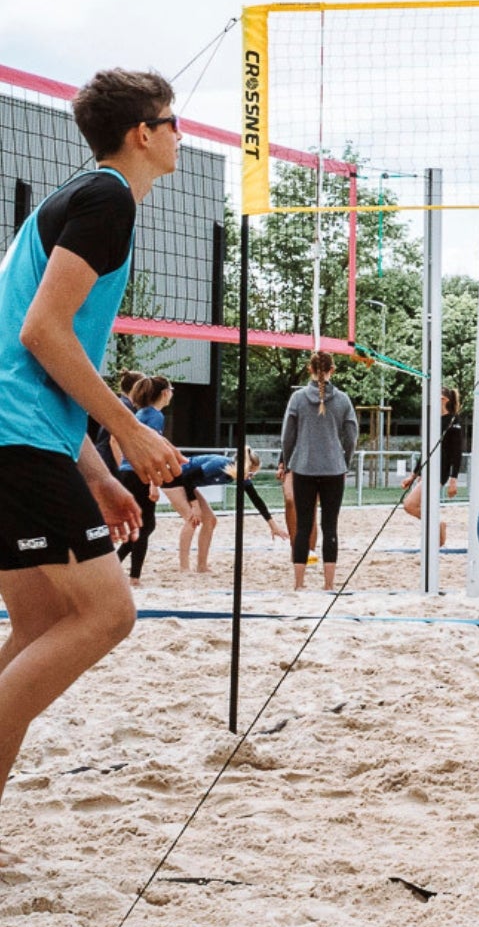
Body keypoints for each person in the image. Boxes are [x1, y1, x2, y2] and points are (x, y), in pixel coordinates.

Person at [0, 69, 186, 865]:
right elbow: (44, 333)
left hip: (25, 436)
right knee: (108, 615)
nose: (182, 133)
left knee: (41, 625)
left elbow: (29, 357)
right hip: (16, 442)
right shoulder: (107, 199)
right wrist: (131, 435)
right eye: (174, 121)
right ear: (143, 132)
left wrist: (99, 474)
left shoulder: (83, 201)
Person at [279, 351, 358, 592]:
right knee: (330, 526)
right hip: (334, 468)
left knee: (303, 526)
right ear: (332, 370)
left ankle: (299, 583)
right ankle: (329, 583)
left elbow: (287, 436)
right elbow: (352, 437)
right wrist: (344, 461)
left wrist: (286, 461)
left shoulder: (298, 399)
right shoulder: (343, 400)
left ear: (309, 369)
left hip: (303, 467)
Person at [168, 448, 290, 575]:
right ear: (245, 466)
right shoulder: (220, 464)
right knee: (192, 519)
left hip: (186, 483)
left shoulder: (240, 473)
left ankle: (201, 566)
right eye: (251, 473)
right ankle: (184, 567)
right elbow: (188, 478)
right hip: (173, 478)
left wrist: (273, 526)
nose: (250, 477)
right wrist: (195, 505)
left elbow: (256, 499)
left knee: (210, 520)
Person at [113, 376, 174, 583]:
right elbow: (151, 453)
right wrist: (154, 485)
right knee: (145, 526)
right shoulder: (155, 416)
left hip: (128, 472)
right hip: (139, 474)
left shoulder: (141, 414)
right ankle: (133, 576)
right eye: (171, 390)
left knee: (142, 526)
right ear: (165, 393)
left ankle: (118, 566)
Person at [400, 388, 462, 546]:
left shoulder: (453, 421)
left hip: (439, 471)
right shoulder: (433, 421)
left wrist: (453, 480)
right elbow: (426, 451)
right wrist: (413, 475)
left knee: (410, 505)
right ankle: (435, 534)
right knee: (418, 505)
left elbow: (457, 452)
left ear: (444, 400)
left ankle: (438, 524)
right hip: (428, 471)